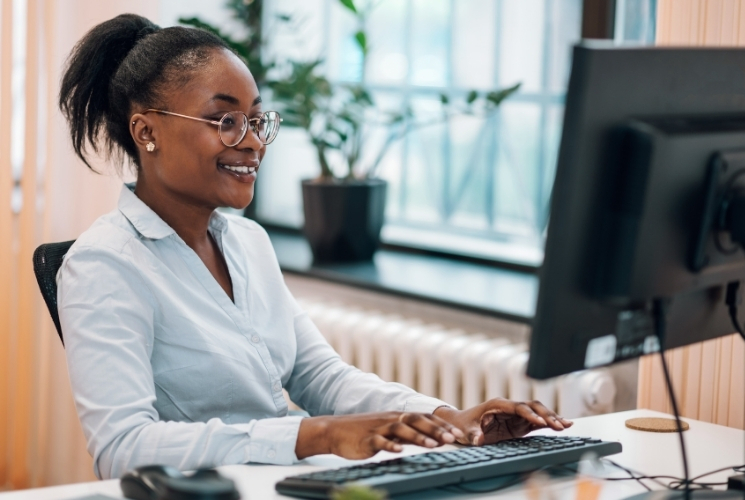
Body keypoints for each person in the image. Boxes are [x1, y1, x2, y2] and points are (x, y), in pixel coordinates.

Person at [56, 13, 572, 480]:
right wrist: (314, 436)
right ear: (147, 131)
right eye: (225, 121)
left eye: (256, 120)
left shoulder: (248, 243)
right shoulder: (104, 265)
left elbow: (319, 376)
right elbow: (121, 449)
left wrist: (444, 418)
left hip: (290, 483)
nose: (254, 141)